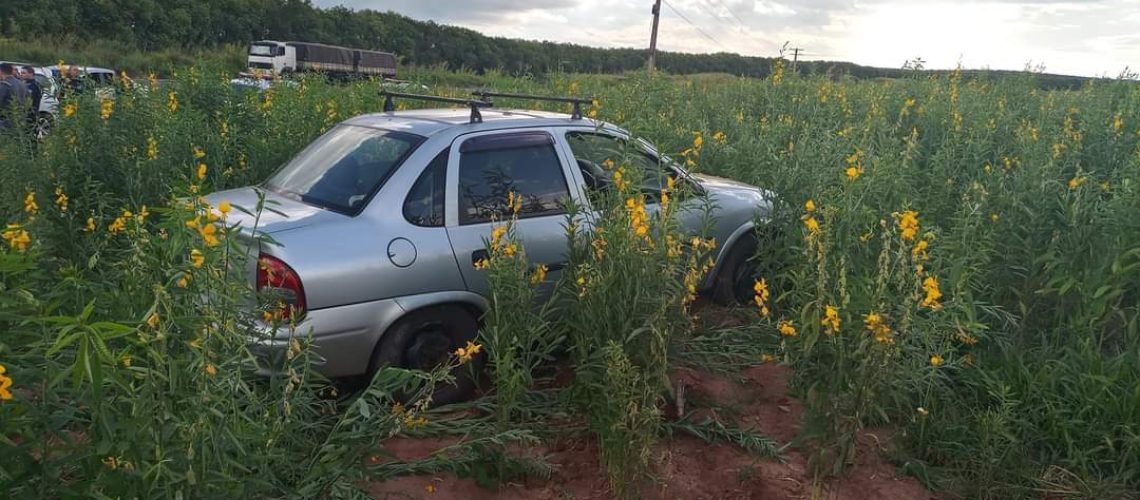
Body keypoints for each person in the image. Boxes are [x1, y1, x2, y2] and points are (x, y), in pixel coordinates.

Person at [0, 63, 30, 133]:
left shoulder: (4, 85)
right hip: (19, 121)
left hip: (5, 123)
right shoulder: (22, 84)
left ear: (0, 71)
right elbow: (28, 101)